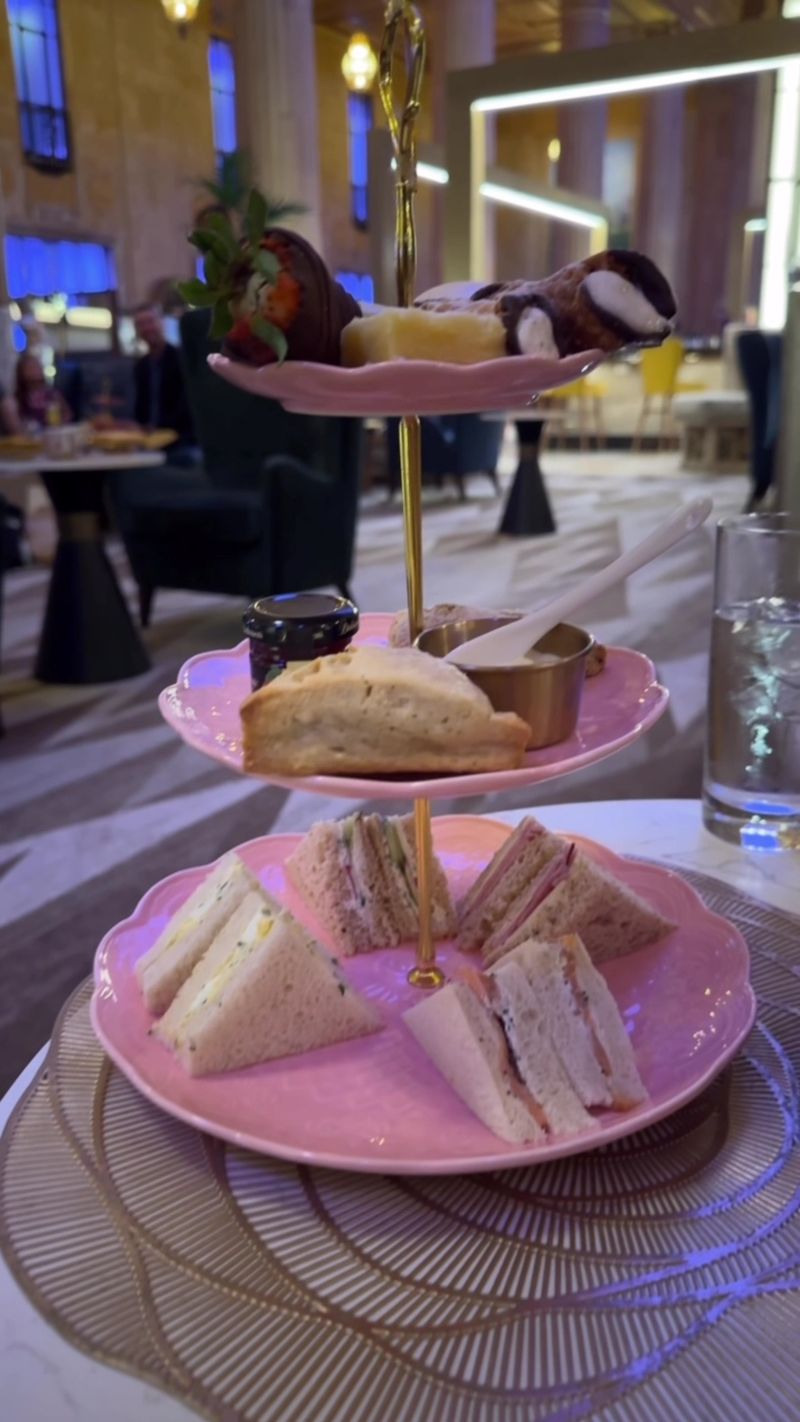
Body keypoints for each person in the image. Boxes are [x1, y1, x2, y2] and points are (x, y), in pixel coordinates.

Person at [132, 304, 196, 458]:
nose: (147, 328)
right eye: (141, 324)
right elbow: (141, 408)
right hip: (148, 442)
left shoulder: (181, 359)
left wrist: (159, 429)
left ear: (161, 323)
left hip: (181, 441)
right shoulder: (141, 366)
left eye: (150, 321)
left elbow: (187, 407)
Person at [12, 352, 71, 431]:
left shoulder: (52, 394)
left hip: (53, 434)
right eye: (30, 367)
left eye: (37, 366)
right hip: (29, 438)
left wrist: (61, 425)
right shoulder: (17, 398)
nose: (35, 370)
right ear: (21, 372)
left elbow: (67, 413)